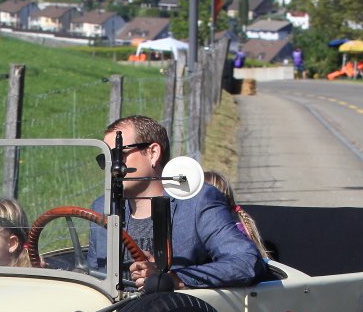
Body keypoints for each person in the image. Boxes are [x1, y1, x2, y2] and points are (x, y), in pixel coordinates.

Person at [89, 115, 264, 289]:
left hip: (178, 306)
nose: (111, 166)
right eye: (105, 159)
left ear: (153, 153)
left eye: (118, 155)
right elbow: (92, 278)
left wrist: (174, 279)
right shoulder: (102, 208)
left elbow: (246, 262)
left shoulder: (196, 202)